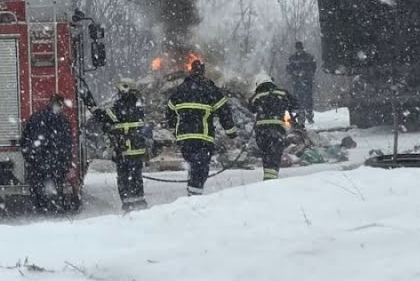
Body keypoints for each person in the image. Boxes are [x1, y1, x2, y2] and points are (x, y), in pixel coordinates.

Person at [166, 60, 237, 196]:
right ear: (203, 72)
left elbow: (169, 113)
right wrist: (231, 132)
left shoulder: (180, 90)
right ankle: (194, 197)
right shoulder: (210, 89)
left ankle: (192, 191)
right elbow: (224, 111)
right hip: (203, 138)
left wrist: (175, 129)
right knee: (200, 168)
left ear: (191, 71)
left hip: (184, 139)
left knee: (194, 164)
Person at [91, 78, 149, 213]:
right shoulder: (138, 108)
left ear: (124, 90)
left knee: (124, 180)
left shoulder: (119, 107)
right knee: (136, 178)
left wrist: (93, 107)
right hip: (137, 151)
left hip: (124, 151)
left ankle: (128, 206)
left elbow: (104, 117)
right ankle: (140, 205)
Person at [20, 94, 75, 213]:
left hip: (38, 164)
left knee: (38, 190)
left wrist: (30, 158)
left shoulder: (36, 118)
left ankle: (41, 210)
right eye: (60, 105)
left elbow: (24, 140)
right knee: (55, 191)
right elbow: (67, 145)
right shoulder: (63, 121)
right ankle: (54, 210)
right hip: (55, 164)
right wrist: (67, 163)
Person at [249, 77, 302, 182]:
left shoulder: (257, 96)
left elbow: (251, 108)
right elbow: (296, 105)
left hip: (261, 132)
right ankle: (271, 181)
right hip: (277, 131)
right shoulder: (283, 93)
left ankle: (268, 178)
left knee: (266, 155)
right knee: (275, 156)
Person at [286, 41, 318, 123]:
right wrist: (294, 72)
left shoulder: (309, 57)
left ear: (302, 48)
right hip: (297, 82)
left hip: (307, 81)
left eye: (300, 48)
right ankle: (301, 116)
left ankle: (309, 116)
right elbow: (288, 69)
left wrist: (305, 73)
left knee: (308, 99)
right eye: (297, 48)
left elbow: (313, 68)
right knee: (298, 100)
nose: (299, 50)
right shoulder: (292, 58)